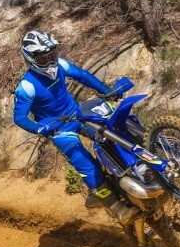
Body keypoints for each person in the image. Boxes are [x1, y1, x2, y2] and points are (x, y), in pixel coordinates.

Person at [12, 30, 148, 229]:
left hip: (78, 114)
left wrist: (105, 90)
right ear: (31, 59)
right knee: (85, 164)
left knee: (113, 135)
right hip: (57, 129)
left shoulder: (60, 65)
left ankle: (138, 171)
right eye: (43, 58)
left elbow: (83, 76)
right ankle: (118, 208)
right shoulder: (27, 86)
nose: (50, 61)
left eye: (52, 54)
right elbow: (19, 117)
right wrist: (40, 128)